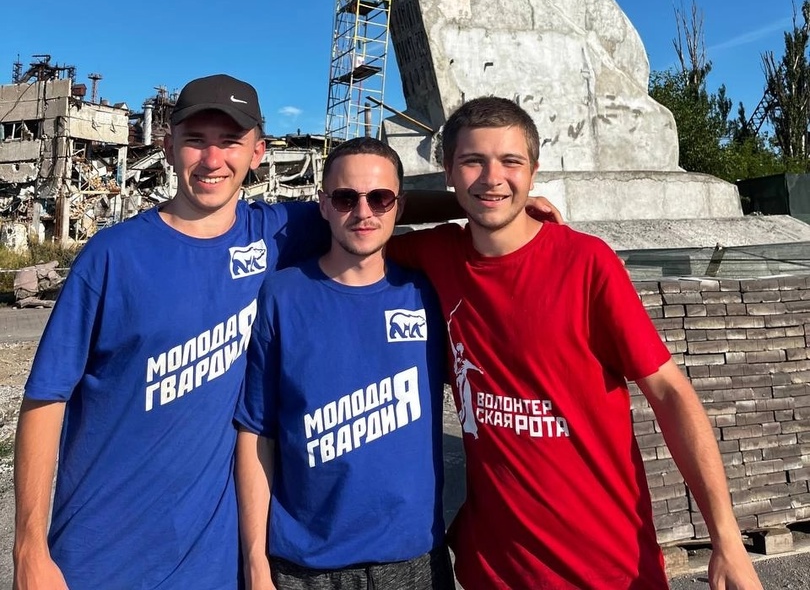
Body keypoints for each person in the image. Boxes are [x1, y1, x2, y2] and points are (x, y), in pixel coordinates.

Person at [386, 96, 762, 590]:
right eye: (473, 161)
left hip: (607, 566)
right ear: (448, 172)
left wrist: (727, 540)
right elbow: (366, 209)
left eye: (511, 162)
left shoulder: (586, 263)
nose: (493, 176)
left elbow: (670, 391)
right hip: (493, 569)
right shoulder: (437, 253)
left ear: (534, 172)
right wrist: (473, 199)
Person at [13, 75, 330, 590]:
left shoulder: (277, 233)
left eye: (230, 142)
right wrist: (28, 547)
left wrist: (470, 207)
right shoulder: (112, 256)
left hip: (213, 566)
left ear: (258, 153)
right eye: (195, 140)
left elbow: (371, 211)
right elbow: (46, 398)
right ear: (167, 146)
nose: (212, 159)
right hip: (97, 559)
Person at [234, 137, 454, 590]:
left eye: (380, 198)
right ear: (323, 205)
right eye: (345, 198)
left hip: (414, 559)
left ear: (399, 206)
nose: (363, 212)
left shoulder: (427, 294)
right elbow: (257, 433)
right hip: (306, 565)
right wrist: (255, 562)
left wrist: (513, 207)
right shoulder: (281, 294)